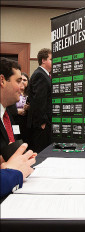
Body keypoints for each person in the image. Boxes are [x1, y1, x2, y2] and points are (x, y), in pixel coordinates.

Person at [0, 58, 37, 198]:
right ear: (2, 80)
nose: (22, 86)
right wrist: (11, 173)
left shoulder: (7, 113)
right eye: (18, 81)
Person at [27, 48, 52, 153]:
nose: (53, 62)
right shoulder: (40, 75)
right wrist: (42, 122)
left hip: (43, 123)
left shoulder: (44, 75)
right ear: (43, 60)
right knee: (40, 153)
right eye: (51, 59)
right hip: (41, 125)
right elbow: (38, 100)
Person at [13, 72, 30, 143]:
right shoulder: (14, 93)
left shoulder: (30, 94)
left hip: (26, 121)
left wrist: (29, 108)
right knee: (17, 138)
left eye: (25, 80)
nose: (22, 82)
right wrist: (17, 111)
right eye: (20, 80)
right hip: (16, 119)